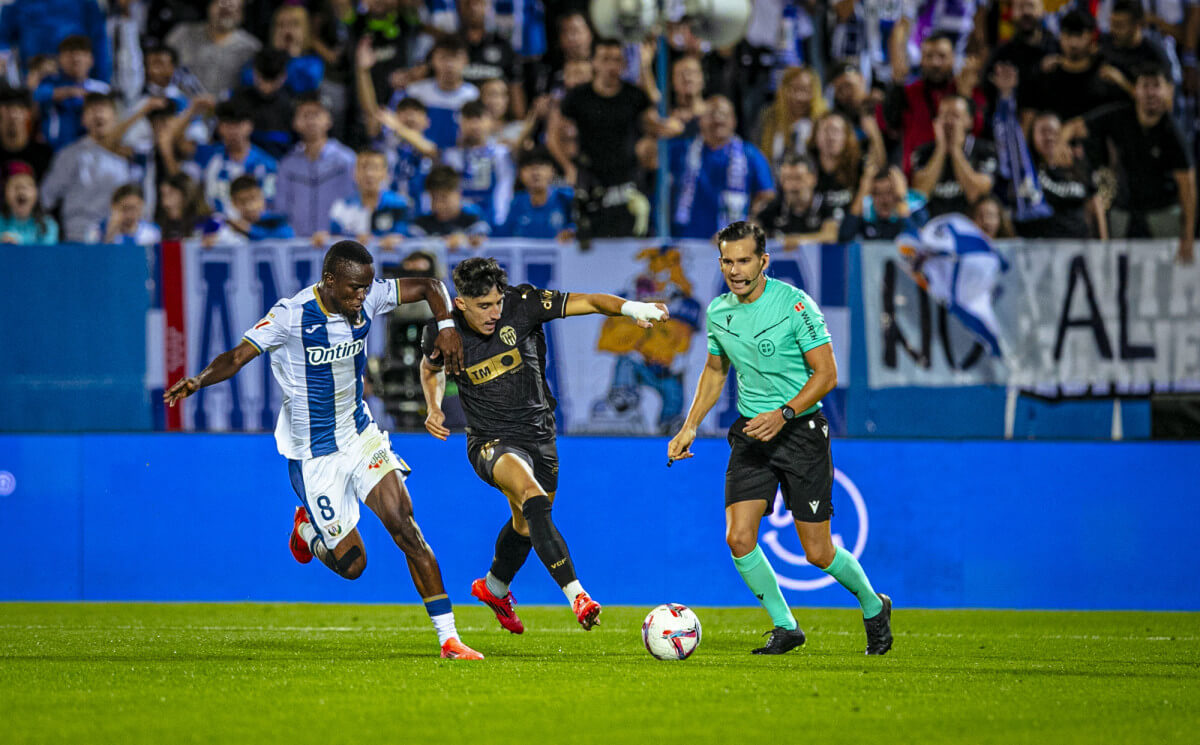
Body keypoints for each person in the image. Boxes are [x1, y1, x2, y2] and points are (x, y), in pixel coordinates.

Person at [163, 240, 484, 661]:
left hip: (359, 435)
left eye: (367, 287)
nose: (362, 297)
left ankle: (448, 640)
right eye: (353, 288)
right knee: (352, 565)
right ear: (329, 280)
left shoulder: (366, 300)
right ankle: (307, 530)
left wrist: (445, 325)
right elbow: (239, 355)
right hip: (314, 455)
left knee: (405, 526)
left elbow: (429, 285)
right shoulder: (290, 315)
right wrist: (199, 380)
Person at [667, 220, 892, 656]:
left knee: (818, 551)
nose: (735, 270)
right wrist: (690, 424)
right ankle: (786, 625)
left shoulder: (794, 305)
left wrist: (785, 412)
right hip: (753, 433)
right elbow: (716, 370)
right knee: (738, 537)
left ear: (763, 261)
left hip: (801, 433)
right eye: (728, 261)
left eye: (744, 260)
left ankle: (873, 604)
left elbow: (827, 374)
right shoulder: (718, 312)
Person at [419, 256, 669, 634]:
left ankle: (494, 587)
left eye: (497, 302)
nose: (494, 312)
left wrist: (633, 308)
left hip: (540, 435)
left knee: (526, 522)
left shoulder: (524, 304)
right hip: (489, 441)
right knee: (533, 498)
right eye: (484, 306)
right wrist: (434, 407)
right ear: (461, 304)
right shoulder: (444, 332)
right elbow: (430, 368)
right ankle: (578, 595)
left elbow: (592, 302)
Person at [1066, 63, 1195, 261]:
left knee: (1165, 273)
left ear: (1169, 90)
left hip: (1162, 213)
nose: (1150, 93)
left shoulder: (1173, 134)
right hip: (1124, 211)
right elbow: (1075, 126)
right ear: (1135, 90)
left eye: (1156, 86)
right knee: (1121, 271)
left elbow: (1187, 187)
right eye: (1145, 86)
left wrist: (1187, 236)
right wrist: (1060, 144)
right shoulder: (1119, 116)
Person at [668, 95, 775, 240]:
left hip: (733, 247)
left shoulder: (750, 154)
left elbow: (767, 195)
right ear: (700, 120)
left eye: (724, 114)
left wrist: (747, 224)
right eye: (712, 114)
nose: (718, 119)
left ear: (734, 121)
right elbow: (648, 154)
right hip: (686, 245)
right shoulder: (682, 150)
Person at [40, 93, 135, 241]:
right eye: (92, 110)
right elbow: (46, 198)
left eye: (103, 109)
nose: (98, 114)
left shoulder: (127, 156)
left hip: (118, 237)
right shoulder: (70, 155)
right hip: (77, 236)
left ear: (115, 117)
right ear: (83, 120)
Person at [276, 93, 357, 238]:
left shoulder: (346, 159)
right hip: (297, 244)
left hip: (338, 241)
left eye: (316, 114)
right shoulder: (287, 164)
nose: (311, 120)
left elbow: (353, 201)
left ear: (329, 120)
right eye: (305, 115)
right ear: (295, 123)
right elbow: (281, 208)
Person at [911, 95, 997, 218]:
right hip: (933, 227)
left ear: (969, 120)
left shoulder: (985, 150)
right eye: (944, 116)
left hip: (970, 225)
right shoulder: (923, 152)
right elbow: (920, 194)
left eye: (955, 116)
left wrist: (956, 150)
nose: (949, 121)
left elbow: (976, 195)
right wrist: (940, 149)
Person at [166, 0, 261, 98]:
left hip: (226, 110)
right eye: (222, 8)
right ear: (210, 6)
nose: (226, 11)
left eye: (233, 9)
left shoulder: (252, 48)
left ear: (241, 15)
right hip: (179, 108)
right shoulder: (181, 34)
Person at [34, 35, 111, 151]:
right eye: (70, 53)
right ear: (59, 59)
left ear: (91, 60)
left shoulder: (101, 89)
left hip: (93, 150)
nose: (76, 58)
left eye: (82, 53)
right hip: (55, 149)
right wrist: (71, 92)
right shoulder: (48, 84)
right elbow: (37, 96)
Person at [495, 146, 574, 240]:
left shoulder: (566, 198)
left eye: (542, 165)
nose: (535, 172)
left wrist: (572, 233)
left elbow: (580, 226)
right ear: (520, 174)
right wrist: (482, 236)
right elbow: (501, 235)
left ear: (553, 171)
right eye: (528, 166)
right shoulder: (517, 202)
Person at [0, 162, 58, 244]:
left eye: (28, 185)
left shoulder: (47, 225)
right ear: (5, 192)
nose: (21, 190)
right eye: (16, 186)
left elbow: (46, 254)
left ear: (36, 192)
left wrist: (20, 243)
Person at [93, 182, 161, 245]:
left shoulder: (152, 233)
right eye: (125, 209)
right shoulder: (97, 231)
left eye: (135, 209)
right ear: (114, 206)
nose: (130, 215)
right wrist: (109, 235)